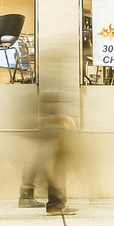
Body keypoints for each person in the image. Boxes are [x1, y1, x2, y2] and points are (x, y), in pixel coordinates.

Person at [18, 84, 75, 215]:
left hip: (44, 143)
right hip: (48, 144)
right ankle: (54, 204)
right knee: (51, 172)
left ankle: (49, 202)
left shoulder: (39, 110)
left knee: (44, 170)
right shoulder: (49, 113)